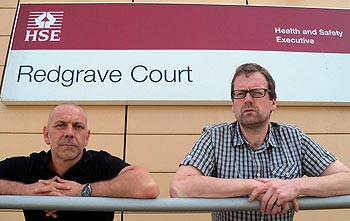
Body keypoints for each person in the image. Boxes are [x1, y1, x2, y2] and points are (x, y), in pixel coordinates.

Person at [170, 63, 350, 221]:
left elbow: (346, 179)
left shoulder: (294, 137)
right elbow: (179, 187)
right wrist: (253, 186)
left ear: (273, 101)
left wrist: (294, 186)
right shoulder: (214, 136)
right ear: (233, 105)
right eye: (240, 94)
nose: (248, 99)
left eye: (257, 92)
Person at [0, 103, 159, 221]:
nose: (69, 133)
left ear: (87, 137)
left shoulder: (100, 164)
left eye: (77, 126)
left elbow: (147, 186)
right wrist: (29, 192)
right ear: (47, 135)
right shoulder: (30, 165)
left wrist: (83, 191)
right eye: (61, 125)